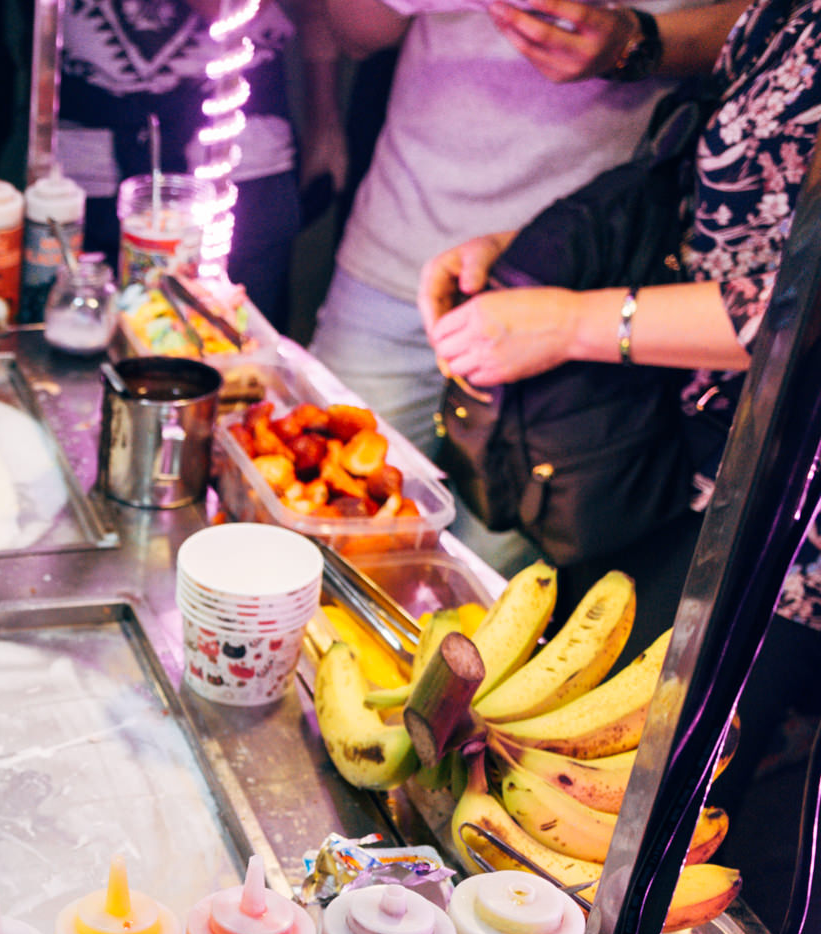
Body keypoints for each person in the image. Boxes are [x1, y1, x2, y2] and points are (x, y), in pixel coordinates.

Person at [421, 0, 821, 655]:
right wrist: (534, 256)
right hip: (672, 449)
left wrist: (573, 323)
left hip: (780, 522)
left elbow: (796, 310)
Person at [310, 0, 748, 550]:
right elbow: (355, 33)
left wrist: (636, 43)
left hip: (583, 284)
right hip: (405, 250)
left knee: (488, 589)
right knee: (317, 531)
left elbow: (777, 32)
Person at [56, 0, 348, 328]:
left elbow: (230, 7)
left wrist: (324, 113)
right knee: (80, 354)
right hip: (83, 166)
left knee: (237, 361)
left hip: (238, 159)